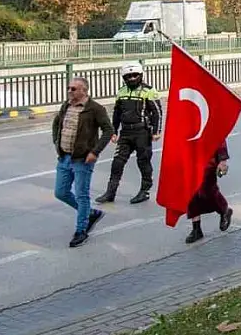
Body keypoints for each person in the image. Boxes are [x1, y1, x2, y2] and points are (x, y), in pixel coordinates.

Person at [53, 77, 113, 248]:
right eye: (68, 88)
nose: (69, 91)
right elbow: (57, 123)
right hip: (64, 157)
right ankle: (90, 213)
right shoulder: (66, 105)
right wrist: (56, 143)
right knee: (61, 192)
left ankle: (81, 231)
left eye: (73, 89)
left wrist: (95, 152)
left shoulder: (95, 109)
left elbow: (108, 130)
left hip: (82, 159)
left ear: (84, 91)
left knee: (81, 194)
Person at [95, 63, 162, 205]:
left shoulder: (148, 91)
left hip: (142, 132)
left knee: (143, 162)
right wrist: (114, 131)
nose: (132, 78)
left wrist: (157, 131)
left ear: (140, 75)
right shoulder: (121, 91)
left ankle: (145, 190)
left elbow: (157, 112)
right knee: (117, 162)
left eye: (134, 75)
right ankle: (110, 192)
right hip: (125, 132)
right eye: (128, 76)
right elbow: (117, 113)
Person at [184, 140, 233, 244]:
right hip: (190, 154)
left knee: (207, 190)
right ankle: (196, 228)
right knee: (191, 192)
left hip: (208, 157)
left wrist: (222, 160)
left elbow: (219, 135)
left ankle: (224, 209)